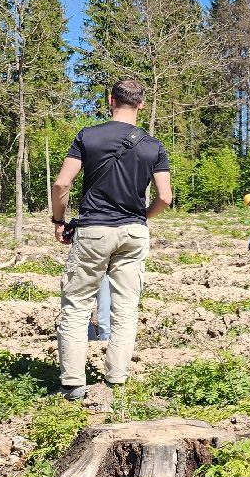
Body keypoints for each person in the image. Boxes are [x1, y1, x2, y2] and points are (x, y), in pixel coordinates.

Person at [51, 78, 172, 401]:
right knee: (126, 308)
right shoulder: (153, 146)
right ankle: (115, 382)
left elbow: (62, 184)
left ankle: (74, 384)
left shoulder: (87, 136)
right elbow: (165, 196)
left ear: (110, 101)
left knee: (76, 306)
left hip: (93, 230)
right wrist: (141, 218)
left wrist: (58, 220)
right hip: (134, 233)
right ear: (141, 105)